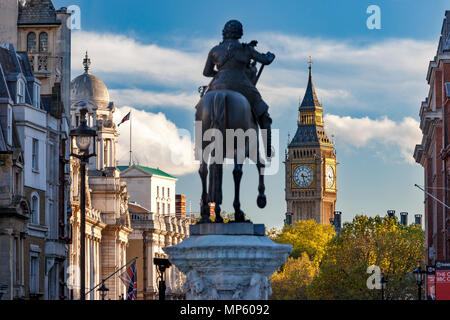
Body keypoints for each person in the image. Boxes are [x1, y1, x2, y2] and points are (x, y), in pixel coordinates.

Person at [202, 20, 275, 153]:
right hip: (241, 85)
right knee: (264, 113)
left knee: (201, 106)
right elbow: (266, 61)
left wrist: (220, 74)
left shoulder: (214, 50)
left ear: (224, 32)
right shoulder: (246, 49)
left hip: (216, 85)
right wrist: (271, 56)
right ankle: (268, 149)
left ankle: (200, 140)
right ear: (240, 33)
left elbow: (206, 73)